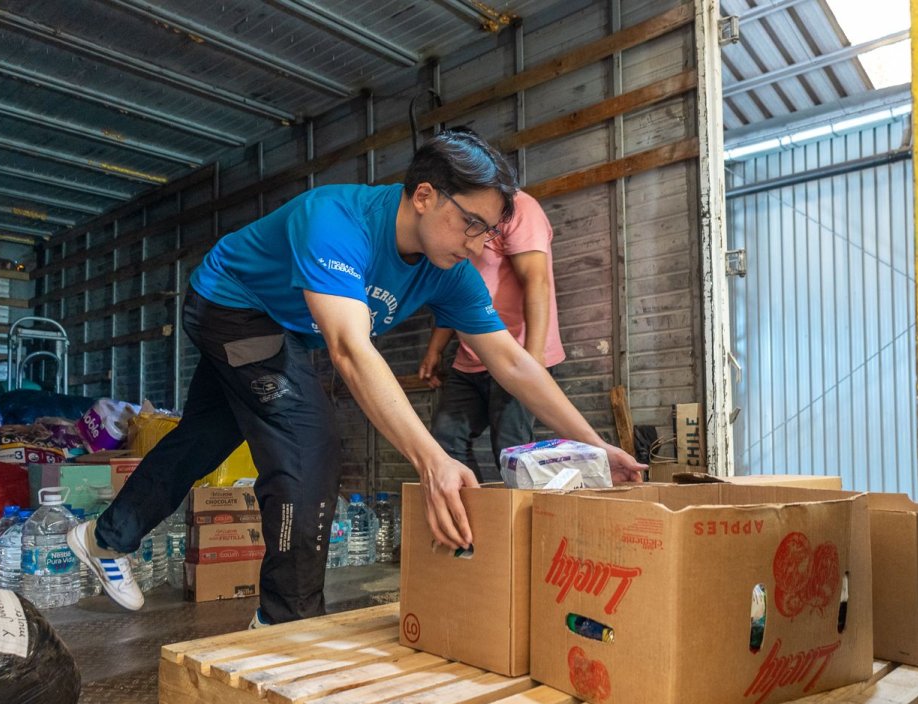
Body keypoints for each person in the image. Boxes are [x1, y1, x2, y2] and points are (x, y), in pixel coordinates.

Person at [66, 130, 646, 627]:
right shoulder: (336, 219)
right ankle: (284, 626)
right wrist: (431, 459)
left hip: (286, 329)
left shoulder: (451, 272)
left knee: (207, 436)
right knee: (308, 440)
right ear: (424, 196)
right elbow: (348, 348)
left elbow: (515, 362)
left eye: (489, 233)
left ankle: (104, 537)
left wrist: (595, 446)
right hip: (230, 306)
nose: (478, 245)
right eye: (471, 224)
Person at [418, 189, 563, 475]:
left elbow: (536, 280)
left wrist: (532, 359)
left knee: (511, 450)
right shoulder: (458, 214)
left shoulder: (521, 207)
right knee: (446, 441)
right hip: (471, 356)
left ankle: (519, 507)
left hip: (516, 353)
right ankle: (472, 505)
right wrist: (434, 350)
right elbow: (456, 294)